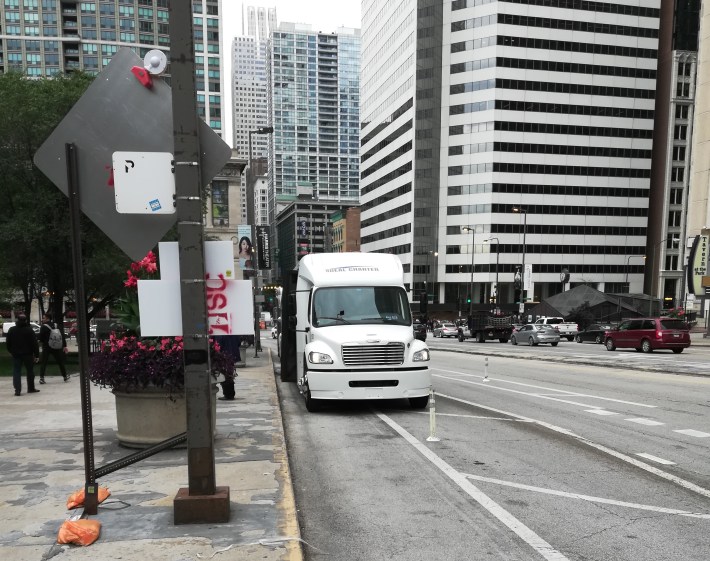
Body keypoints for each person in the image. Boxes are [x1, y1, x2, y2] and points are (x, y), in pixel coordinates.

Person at [6, 314, 40, 396]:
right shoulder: (29, 330)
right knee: (30, 371)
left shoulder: (12, 330)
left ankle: (17, 390)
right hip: (28, 354)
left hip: (16, 354)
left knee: (16, 371)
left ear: (17, 320)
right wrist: (37, 355)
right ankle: (31, 388)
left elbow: (8, 343)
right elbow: (34, 344)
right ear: (25, 320)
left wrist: (11, 351)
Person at [38, 313, 69, 384]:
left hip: (46, 347)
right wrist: (64, 345)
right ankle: (65, 376)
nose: (42, 319)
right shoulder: (56, 325)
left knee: (44, 362)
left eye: (44, 318)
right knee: (60, 362)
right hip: (56, 346)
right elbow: (61, 336)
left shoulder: (43, 327)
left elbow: (40, 338)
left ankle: (42, 378)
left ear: (47, 318)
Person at [214, 334, 241, 401]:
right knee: (229, 374)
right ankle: (230, 394)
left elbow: (218, 345)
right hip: (232, 355)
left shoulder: (219, 334)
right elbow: (239, 342)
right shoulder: (233, 333)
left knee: (225, 375)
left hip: (225, 356)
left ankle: (228, 394)